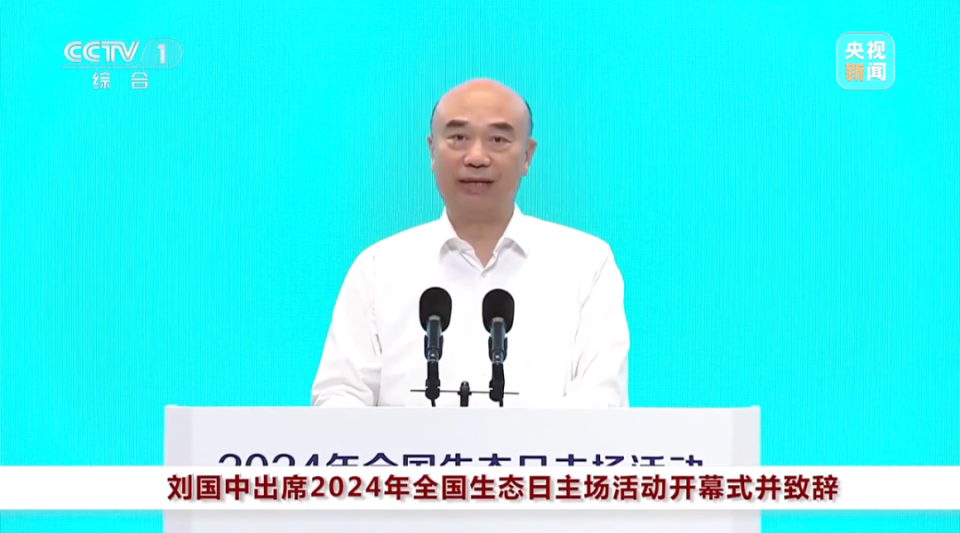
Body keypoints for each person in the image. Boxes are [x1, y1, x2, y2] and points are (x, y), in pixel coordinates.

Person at [311, 79, 629, 408]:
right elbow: (339, 396)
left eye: (498, 140)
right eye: (459, 138)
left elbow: (600, 400)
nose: (476, 157)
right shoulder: (379, 269)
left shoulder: (585, 264)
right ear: (432, 151)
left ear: (527, 156)